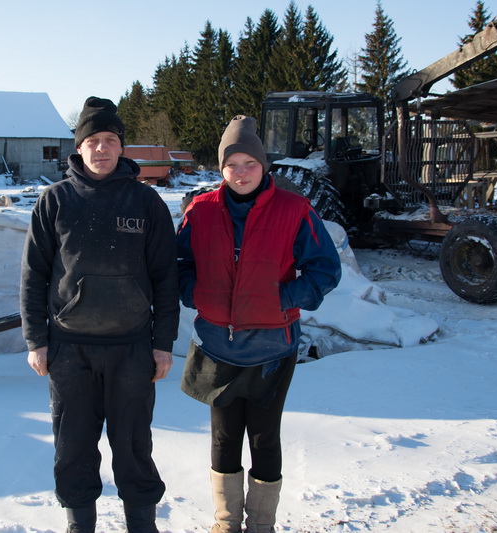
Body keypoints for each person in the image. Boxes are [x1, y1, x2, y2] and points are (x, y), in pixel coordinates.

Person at [20, 96, 180, 533]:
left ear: (121, 146)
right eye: (93, 140)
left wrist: (162, 344)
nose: (102, 148)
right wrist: (37, 340)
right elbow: (33, 276)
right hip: (70, 350)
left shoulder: (146, 203)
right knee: (72, 448)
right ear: (80, 147)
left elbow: (167, 279)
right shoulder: (54, 201)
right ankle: (79, 525)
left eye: (111, 140)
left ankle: (142, 525)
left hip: (131, 348)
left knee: (133, 447)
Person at [176, 115, 342, 532]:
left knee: (264, 438)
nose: (242, 172)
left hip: (272, 348)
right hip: (217, 346)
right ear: (221, 169)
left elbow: (325, 269)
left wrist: (283, 298)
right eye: (232, 164)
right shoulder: (200, 211)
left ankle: (261, 525)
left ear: (264, 166)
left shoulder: (294, 209)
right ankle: (227, 522)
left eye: (250, 162)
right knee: (223, 438)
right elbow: (178, 264)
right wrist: (196, 294)